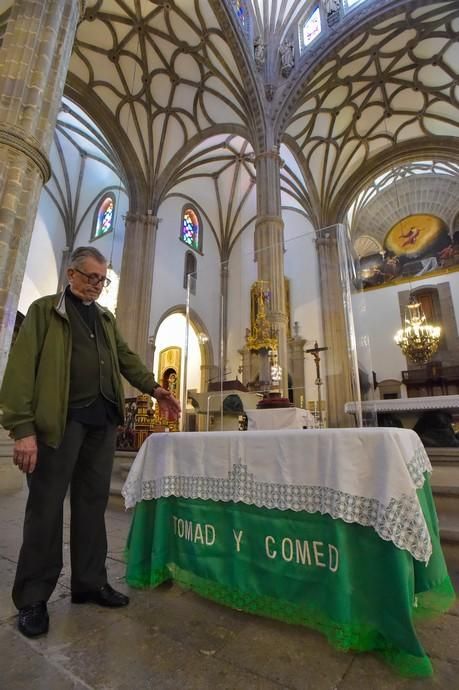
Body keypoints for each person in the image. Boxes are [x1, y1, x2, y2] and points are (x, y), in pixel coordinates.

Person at [0, 246, 181, 638]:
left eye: (102, 279)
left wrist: (155, 389)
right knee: (45, 509)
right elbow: (19, 371)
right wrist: (23, 429)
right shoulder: (45, 312)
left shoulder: (105, 317)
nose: (96, 285)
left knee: (91, 505)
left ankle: (89, 582)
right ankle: (33, 597)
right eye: (90, 277)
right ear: (71, 274)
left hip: (101, 425)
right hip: (59, 425)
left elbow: (126, 358)